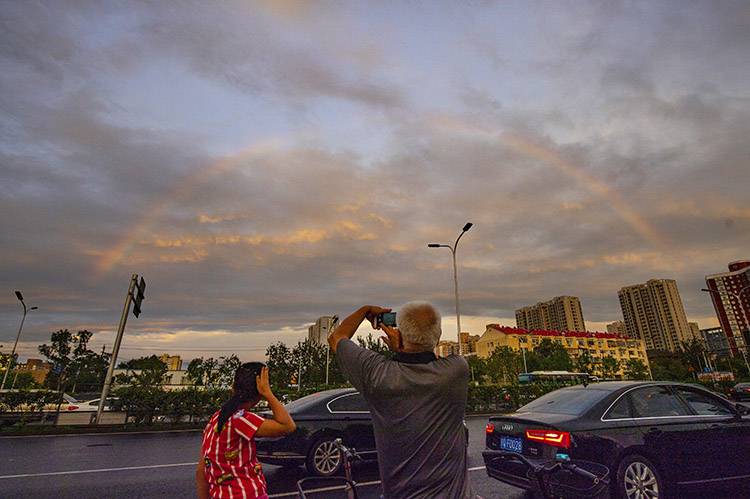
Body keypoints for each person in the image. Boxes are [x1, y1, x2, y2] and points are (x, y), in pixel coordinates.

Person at [329, 301, 475, 499]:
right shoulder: (457, 369)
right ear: (438, 336)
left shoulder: (377, 374)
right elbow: (425, 360)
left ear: (400, 334)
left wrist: (365, 311)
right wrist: (402, 350)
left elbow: (337, 337)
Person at [196, 363, 296, 499]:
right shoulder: (241, 419)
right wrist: (269, 394)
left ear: (233, 387)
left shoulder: (216, 419)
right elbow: (288, 426)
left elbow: (201, 470)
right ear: (259, 393)